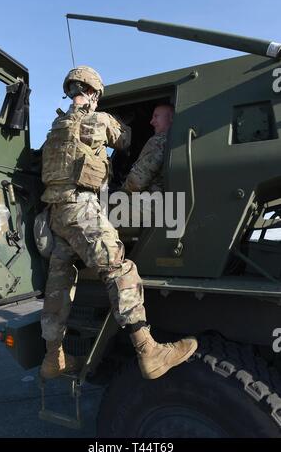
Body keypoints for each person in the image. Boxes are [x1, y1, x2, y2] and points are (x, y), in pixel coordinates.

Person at [40, 66, 198, 380]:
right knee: (119, 269)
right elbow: (125, 139)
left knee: (59, 281)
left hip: (54, 213)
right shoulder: (99, 120)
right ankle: (149, 351)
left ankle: (53, 357)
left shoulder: (56, 127)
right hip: (81, 208)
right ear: (95, 94)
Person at [122, 104, 174, 193]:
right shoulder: (174, 140)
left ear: (171, 117)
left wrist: (122, 190)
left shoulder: (159, 140)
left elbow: (136, 182)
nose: (151, 121)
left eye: (156, 116)